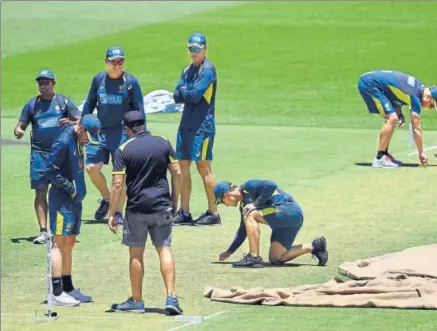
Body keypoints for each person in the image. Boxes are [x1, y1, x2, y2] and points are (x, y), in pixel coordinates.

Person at [108, 111, 183, 315]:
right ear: (144, 124)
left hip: (136, 209)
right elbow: (177, 172)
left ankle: (137, 301)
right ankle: (171, 298)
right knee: (164, 249)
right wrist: (175, 199)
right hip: (162, 205)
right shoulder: (163, 142)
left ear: (127, 128)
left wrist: (112, 212)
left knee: (136, 254)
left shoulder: (123, 149)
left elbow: (117, 185)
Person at [14, 70, 81, 244]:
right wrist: (18, 130)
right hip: (40, 154)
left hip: (61, 154)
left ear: (53, 83)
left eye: (46, 83)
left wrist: (71, 122)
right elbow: (20, 125)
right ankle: (44, 232)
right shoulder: (32, 105)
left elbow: (81, 121)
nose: (43, 86)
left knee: (64, 189)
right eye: (40, 83)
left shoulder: (63, 102)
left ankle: (66, 225)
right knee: (40, 190)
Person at [40, 114, 101, 306]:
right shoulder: (64, 141)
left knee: (70, 242)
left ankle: (68, 287)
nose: (87, 141)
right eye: (87, 137)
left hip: (75, 201)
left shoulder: (77, 139)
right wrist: (71, 187)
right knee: (59, 242)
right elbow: (50, 169)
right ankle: (56, 293)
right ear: (81, 129)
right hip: (62, 200)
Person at [82, 46, 145, 224]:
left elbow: (140, 110)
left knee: (120, 177)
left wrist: (140, 134)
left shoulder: (131, 82)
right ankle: (108, 199)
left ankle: (117, 212)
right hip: (100, 132)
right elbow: (88, 105)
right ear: (106, 62)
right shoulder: (98, 80)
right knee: (91, 168)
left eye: (120, 61)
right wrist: (82, 127)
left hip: (122, 133)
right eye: (113, 61)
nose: (117, 65)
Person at [214, 180, 328, 268]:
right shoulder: (244, 206)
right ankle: (315, 246)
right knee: (276, 258)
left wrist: (256, 204)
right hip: (284, 223)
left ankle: (253, 257)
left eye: (222, 202)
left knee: (250, 214)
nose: (226, 205)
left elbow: (271, 185)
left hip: (290, 211)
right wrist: (230, 251)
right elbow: (243, 230)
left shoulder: (249, 186)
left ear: (227, 195)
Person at [172, 32, 220, 227]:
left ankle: (214, 212)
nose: (194, 53)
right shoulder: (187, 70)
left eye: (197, 49)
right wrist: (185, 91)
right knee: (183, 165)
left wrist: (185, 90)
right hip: (186, 125)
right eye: (191, 49)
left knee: (203, 167)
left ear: (205, 49)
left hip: (203, 127)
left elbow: (193, 96)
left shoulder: (208, 70)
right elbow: (177, 95)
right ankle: (184, 211)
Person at [357, 70, 437, 168]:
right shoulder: (415, 96)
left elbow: (395, 94)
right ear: (428, 97)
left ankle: (384, 154)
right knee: (392, 118)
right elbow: (416, 128)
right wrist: (421, 153)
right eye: (432, 106)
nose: (429, 108)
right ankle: (379, 158)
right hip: (369, 84)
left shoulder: (418, 86)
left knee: (393, 118)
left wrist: (400, 114)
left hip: (372, 82)